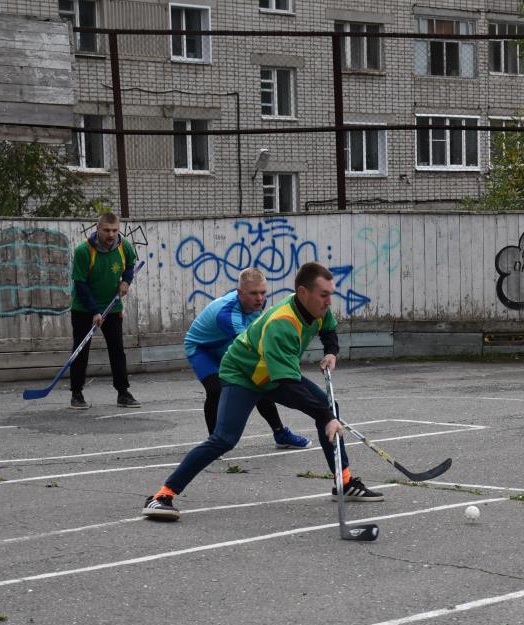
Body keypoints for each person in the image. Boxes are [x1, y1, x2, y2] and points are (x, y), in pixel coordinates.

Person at [143, 262, 382, 521]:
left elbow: (328, 329)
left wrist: (331, 352)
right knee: (224, 439)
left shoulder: (317, 308)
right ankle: (160, 497)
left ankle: (344, 483)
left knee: (327, 406)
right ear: (303, 293)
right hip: (243, 375)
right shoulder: (283, 324)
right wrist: (325, 417)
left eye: (330, 294)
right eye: (324, 295)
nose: (328, 301)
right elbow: (290, 384)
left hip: (272, 372)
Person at [183, 267, 310, 449]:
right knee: (216, 390)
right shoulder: (227, 315)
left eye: (263, 293)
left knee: (259, 381)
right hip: (202, 349)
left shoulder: (256, 303)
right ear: (240, 293)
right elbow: (249, 349)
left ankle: (280, 433)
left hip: (225, 341)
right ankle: (214, 443)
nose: (259, 298)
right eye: (253, 294)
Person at [69, 212, 140, 410]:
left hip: (112, 306)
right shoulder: (84, 251)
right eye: (106, 230)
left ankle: (123, 393)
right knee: (80, 350)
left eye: (115, 230)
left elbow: (131, 265)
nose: (111, 235)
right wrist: (94, 311)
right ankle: (77, 393)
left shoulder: (123, 245)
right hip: (84, 308)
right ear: (97, 229)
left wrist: (126, 281)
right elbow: (80, 284)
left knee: (117, 350)